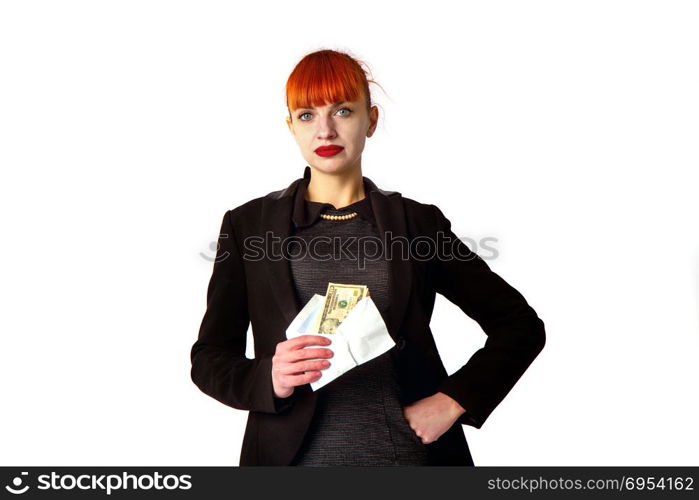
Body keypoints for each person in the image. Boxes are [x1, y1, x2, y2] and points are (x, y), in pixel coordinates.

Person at [190, 48, 546, 466]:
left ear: (370, 120)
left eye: (342, 111)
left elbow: (519, 326)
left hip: (407, 461)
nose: (324, 131)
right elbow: (209, 358)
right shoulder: (247, 226)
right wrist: (266, 377)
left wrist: (454, 400)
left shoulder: (418, 224)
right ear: (291, 127)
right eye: (307, 115)